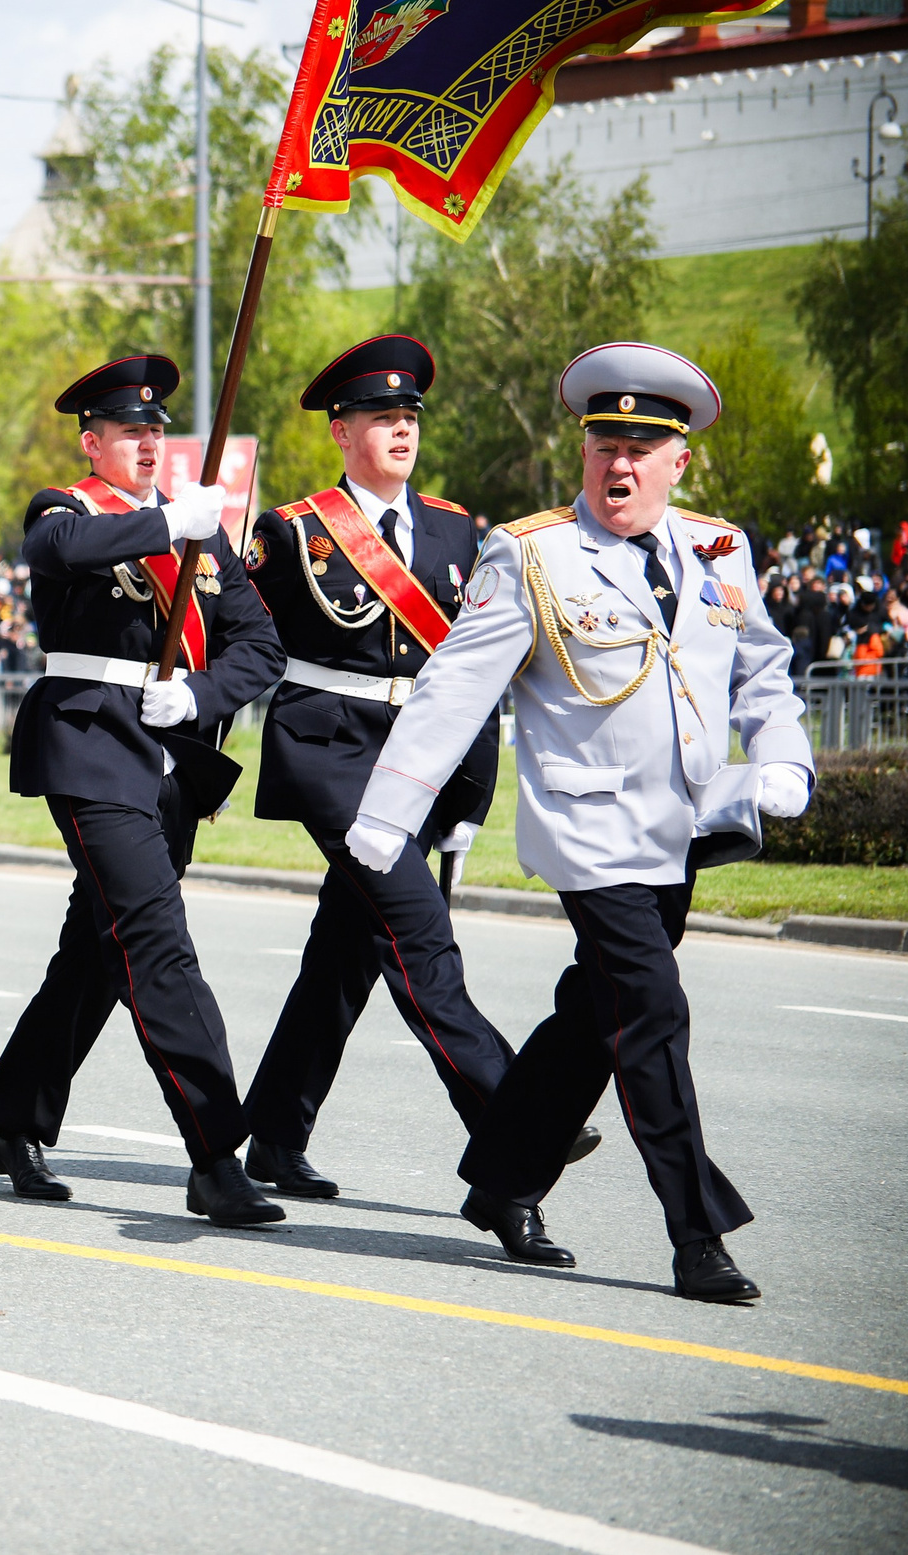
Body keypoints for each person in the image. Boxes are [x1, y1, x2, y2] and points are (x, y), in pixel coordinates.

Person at [350, 342, 813, 1303]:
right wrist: (388, 814)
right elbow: (451, 691)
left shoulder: (722, 550)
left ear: (680, 459)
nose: (620, 464)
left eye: (644, 446)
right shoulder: (532, 554)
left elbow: (764, 669)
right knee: (650, 1012)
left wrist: (783, 756)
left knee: (590, 1019)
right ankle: (698, 1233)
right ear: (586, 447)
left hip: (683, 826)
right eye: (606, 441)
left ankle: (504, 1178)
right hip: (589, 832)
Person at [235, 337, 597, 1198]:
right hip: (331, 754)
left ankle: (275, 1137)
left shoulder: (454, 528)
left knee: (346, 953)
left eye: (409, 418)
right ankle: (516, 1113)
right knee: (418, 937)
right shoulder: (293, 532)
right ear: (340, 431)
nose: (401, 431)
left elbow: (467, 672)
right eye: (381, 418)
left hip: (421, 760)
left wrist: (472, 794)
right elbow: (241, 640)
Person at [0, 355, 288, 1226]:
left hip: (173, 749)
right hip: (89, 744)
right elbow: (56, 551)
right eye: (130, 431)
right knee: (155, 938)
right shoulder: (70, 510)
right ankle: (216, 1150)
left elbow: (259, 645)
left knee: (99, 949)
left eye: (157, 430)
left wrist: (202, 694)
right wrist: (161, 526)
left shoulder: (200, 531)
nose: (148, 442)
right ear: (93, 442)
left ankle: (17, 1117)